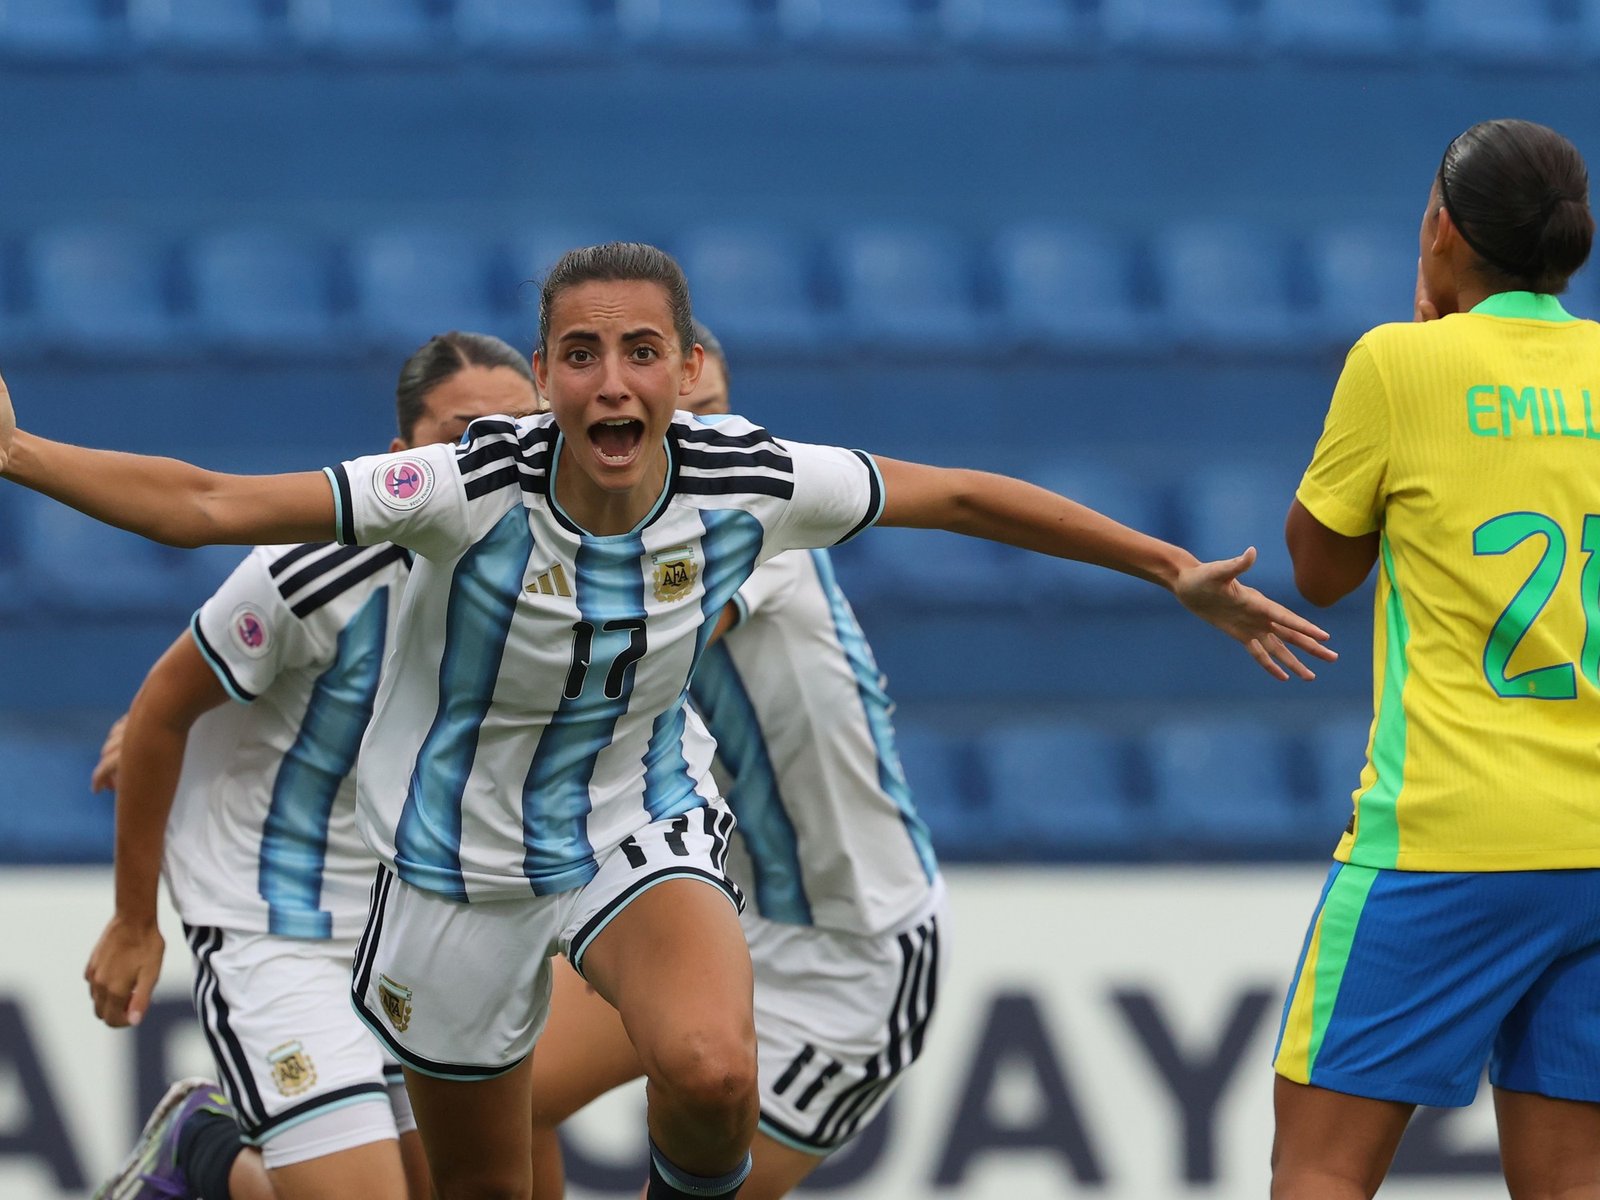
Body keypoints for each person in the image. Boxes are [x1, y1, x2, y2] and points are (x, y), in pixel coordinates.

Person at [0, 241, 1333, 1200]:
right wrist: (18, 453)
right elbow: (205, 503)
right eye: (582, 354)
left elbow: (967, 498)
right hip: (454, 874)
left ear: (684, 370)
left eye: (642, 350)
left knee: (706, 1071)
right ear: (549, 378)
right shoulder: (457, 487)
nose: (614, 380)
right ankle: (219, 1164)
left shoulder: (744, 480)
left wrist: (1166, 569)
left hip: (636, 834)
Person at [83, 332, 539, 1200]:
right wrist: (133, 922)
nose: (498, 458)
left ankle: (207, 1154)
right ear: (403, 458)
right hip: (273, 920)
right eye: (467, 434)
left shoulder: (551, 577)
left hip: (411, 927)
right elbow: (163, 708)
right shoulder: (318, 563)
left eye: (523, 431)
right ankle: (196, 1148)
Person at [526, 321, 944, 1200]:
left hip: (849, 957)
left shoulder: (755, 530)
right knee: (497, 1086)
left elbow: (614, 658)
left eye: (709, 417)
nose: (701, 449)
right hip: (727, 911)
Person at [1272, 119, 1600, 1198]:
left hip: (1446, 837)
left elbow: (1320, 571)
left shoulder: (1398, 363)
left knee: (1318, 1172)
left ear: (1443, 232)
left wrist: (1422, 345)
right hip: (1593, 846)